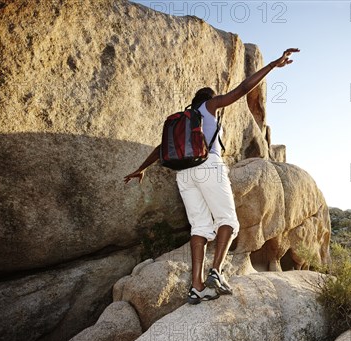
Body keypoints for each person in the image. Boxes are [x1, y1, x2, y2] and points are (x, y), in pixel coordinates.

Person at [124, 48, 300, 304]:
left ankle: (196, 287)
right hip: (208, 167)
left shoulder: (183, 121)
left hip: (184, 175)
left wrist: (142, 168)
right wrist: (272, 65)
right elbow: (241, 90)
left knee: (200, 228)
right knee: (228, 220)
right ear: (209, 99)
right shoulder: (209, 107)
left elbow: (161, 149)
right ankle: (216, 271)